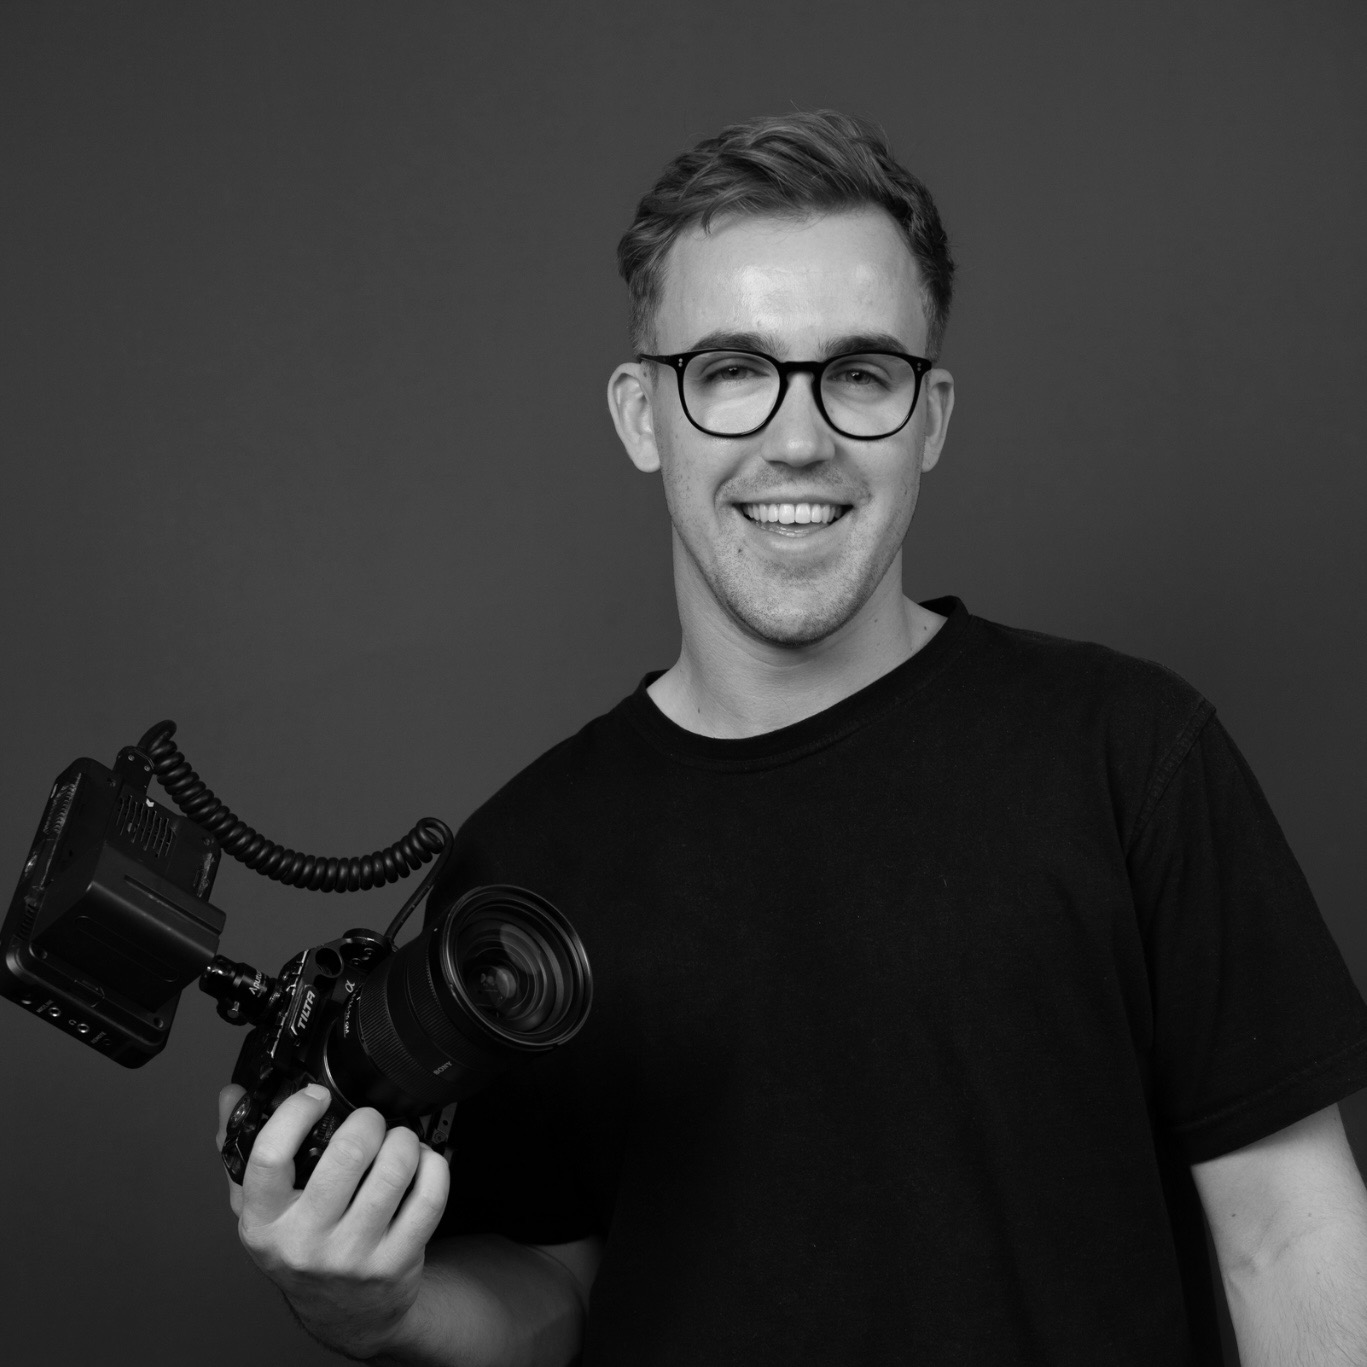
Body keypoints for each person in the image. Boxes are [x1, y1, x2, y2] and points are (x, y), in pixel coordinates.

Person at [216, 111, 1367, 1365]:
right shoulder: (523, 866)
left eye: (858, 373)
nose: (797, 435)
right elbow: (556, 1291)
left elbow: (1288, 1236)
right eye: (730, 371)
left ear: (928, 417)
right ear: (640, 414)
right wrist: (367, 1304)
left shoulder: (1129, 752)